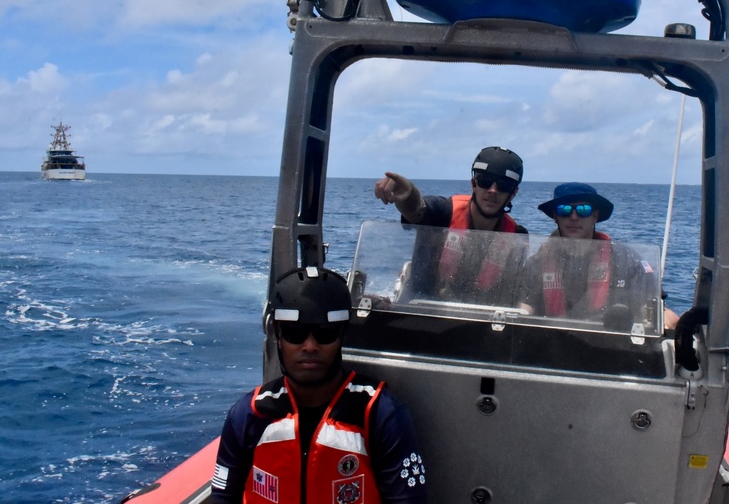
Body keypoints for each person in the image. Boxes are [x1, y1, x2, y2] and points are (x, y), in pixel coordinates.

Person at [211, 268, 428, 503]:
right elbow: (223, 498)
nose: (310, 346)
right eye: (296, 334)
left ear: (342, 336)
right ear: (278, 335)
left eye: (325, 334)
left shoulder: (379, 415)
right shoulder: (249, 415)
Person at [373, 147, 527, 304]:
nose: (493, 190)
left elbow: (511, 293)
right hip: (420, 312)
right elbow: (417, 210)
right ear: (474, 184)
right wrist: (408, 194)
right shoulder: (443, 212)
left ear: (513, 194)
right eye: (486, 182)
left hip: (477, 319)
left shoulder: (516, 236)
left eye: (504, 185)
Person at [518, 182, 679, 330]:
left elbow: (652, 308)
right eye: (564, 210)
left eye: (583, 210)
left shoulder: (625, 260)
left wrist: (665, 322)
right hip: (552, 349)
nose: (573, 217)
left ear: (595, 216)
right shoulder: (537, 264)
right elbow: (523, 310)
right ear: (555, 216)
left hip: (610, 349)